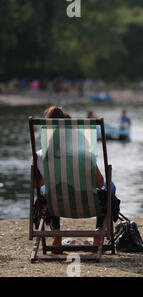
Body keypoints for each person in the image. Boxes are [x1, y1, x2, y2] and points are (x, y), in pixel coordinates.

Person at [32, 106, 115, 252]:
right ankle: (98, 232)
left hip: (56, 204)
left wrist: (51, 178)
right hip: (87, 202)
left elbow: (35, 186)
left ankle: (56, 234)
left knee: (49, 190)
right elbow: (100, 183)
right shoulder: (84, 155)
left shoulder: (40, 156)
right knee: (110, 185)